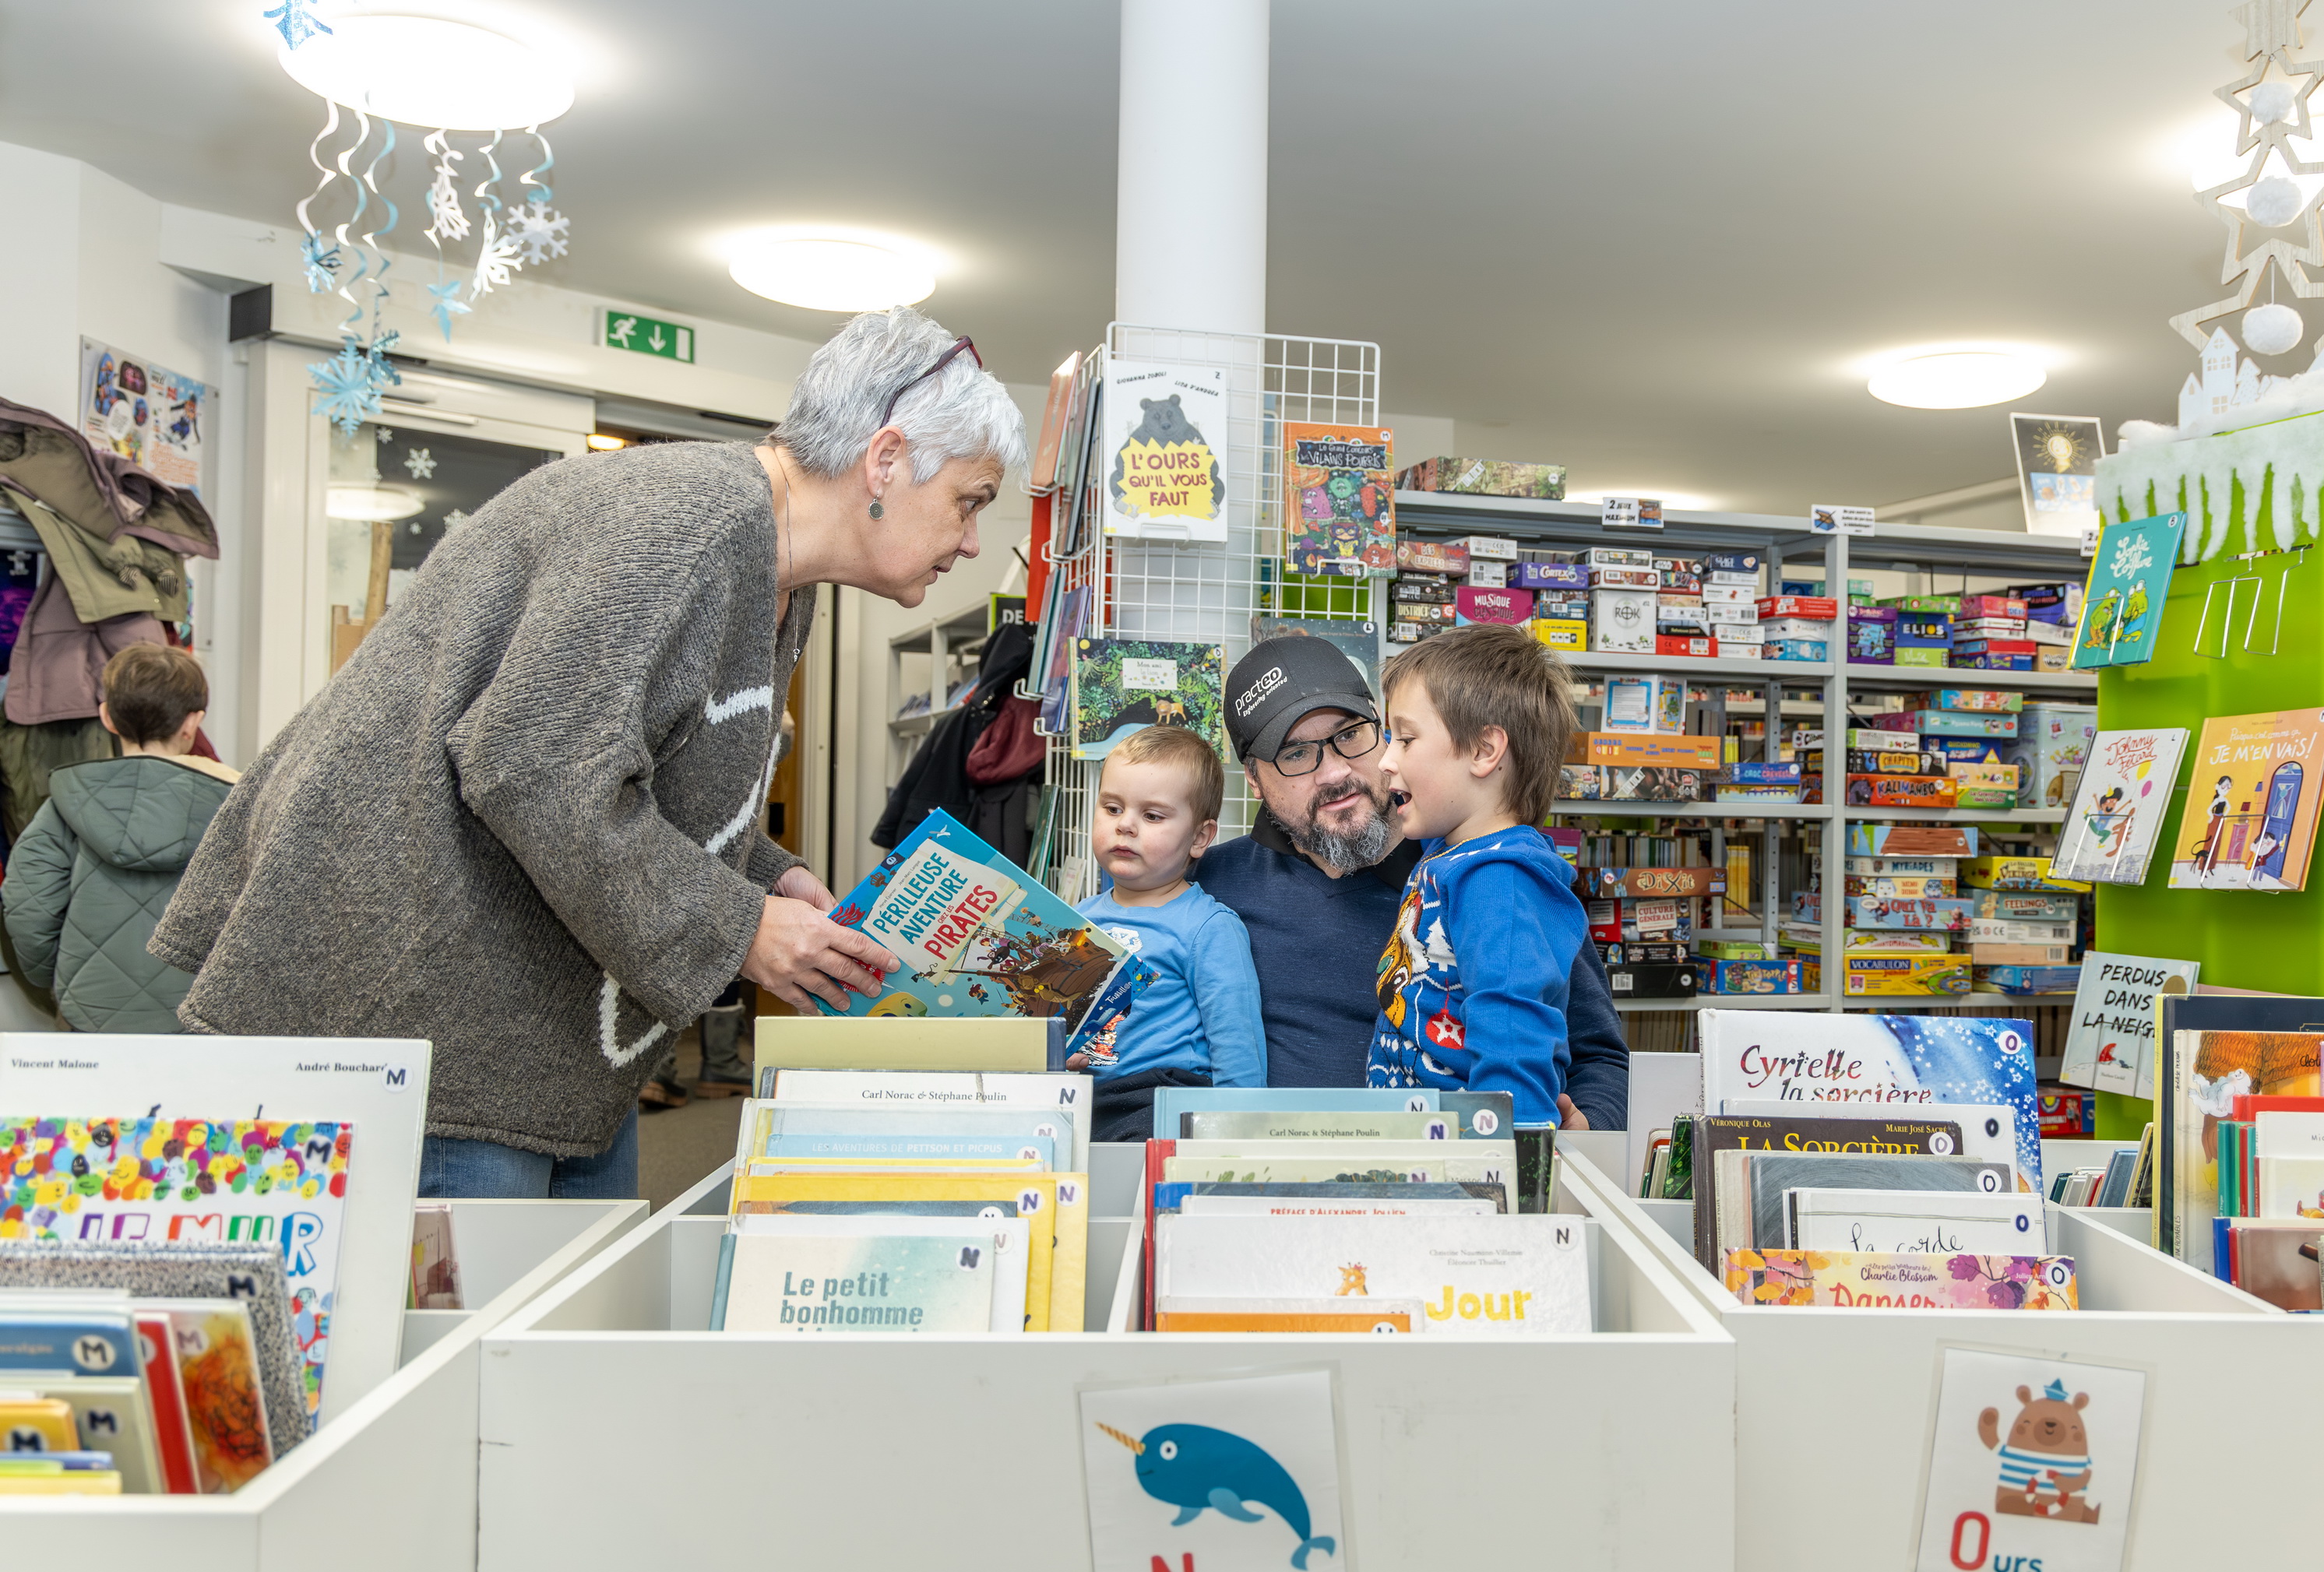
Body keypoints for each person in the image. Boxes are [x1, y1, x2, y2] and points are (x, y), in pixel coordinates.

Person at [152, 309, 1027, 1199]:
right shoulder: (691, 521)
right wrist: (739, 928)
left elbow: (630, 764)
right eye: (970, 500)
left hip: (525, 1034)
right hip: (415, 1018)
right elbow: (532, 767)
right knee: (467, 1330)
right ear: (885, 459)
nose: (969, 542)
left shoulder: (774, 568)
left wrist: (762, 875)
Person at [1195, 635, 1627, 1127]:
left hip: (1466, 1179)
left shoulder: (1491, 876)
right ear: (1253, 780)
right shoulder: (1205, 887)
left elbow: (1601, 1060)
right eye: (1295, 754)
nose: (1335, 771)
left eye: (1350, 734)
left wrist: (1581, 1133)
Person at [1366, 626, 1587, 1126]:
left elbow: (1513, 1042)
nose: (1385, 761)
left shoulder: (1502, 880)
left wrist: (1504, 1177)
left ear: (1484, 752)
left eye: (1405, 738)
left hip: (1471, 1169)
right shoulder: (1449, 856)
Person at [3, 644, 238, 1032]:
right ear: (192, 723)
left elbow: (28, 909)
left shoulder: (63, 808)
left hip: (89, 1016)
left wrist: (62, 979)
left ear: (107, 717)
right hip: (204, 1020)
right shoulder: (236, 810)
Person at [1073, 726, 1267, 1140]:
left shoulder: (1208, 927)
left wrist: (1239, 1137)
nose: (1125, 825)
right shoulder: (1077, 918)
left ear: (1199, 837)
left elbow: (1237, 1046)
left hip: (1161, 1101)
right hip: (1080, 1098)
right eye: (1111, 808)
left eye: (1152, 816)